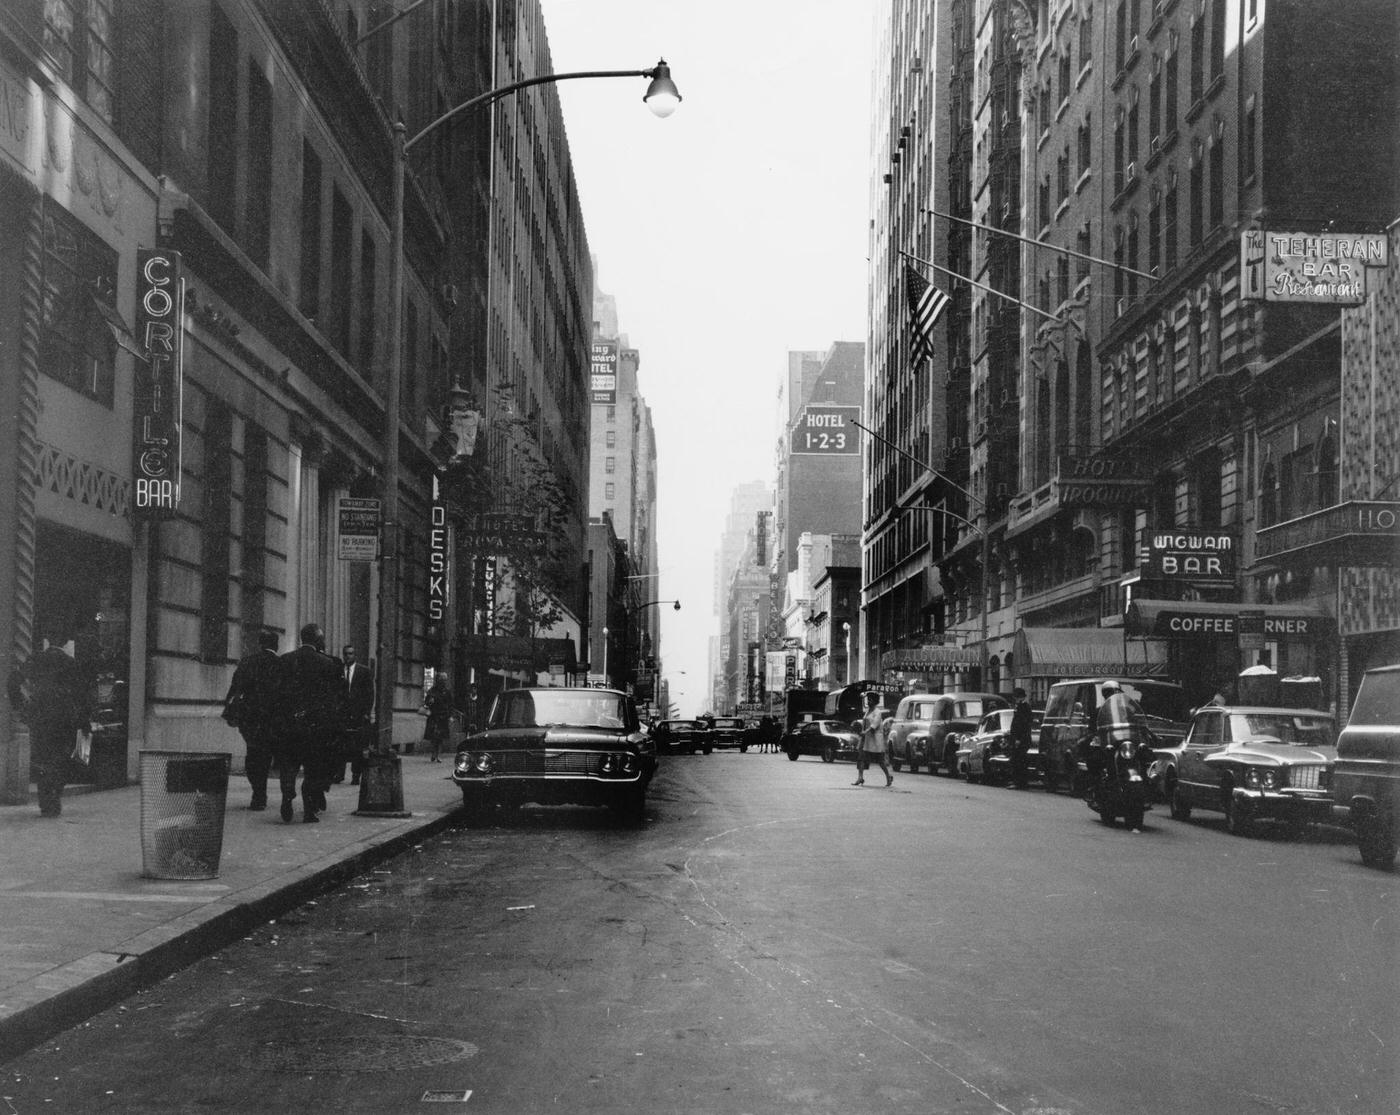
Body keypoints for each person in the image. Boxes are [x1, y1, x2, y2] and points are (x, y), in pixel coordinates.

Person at [7, 623, 91, 817]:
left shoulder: (36, 659)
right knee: (62, 758)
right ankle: (54, 795)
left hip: (40, 716)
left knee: (43, 758)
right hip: (65, 717)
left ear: (48, 639)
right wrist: (84, 719)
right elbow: (83, 695)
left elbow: (13, 681)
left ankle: (46, 800)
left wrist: (21, 707)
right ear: (65, 641)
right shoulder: (71, 663)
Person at [273, 623, 344, 823]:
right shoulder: (327, 664)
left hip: (290, 725)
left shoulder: (285, 660)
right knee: (313, 769)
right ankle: (308, 810)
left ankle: (287, 797)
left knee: (288, 766)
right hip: (315, 728)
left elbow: (277, 694)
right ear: (317, 640)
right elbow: (331, 699)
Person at [221, 628, 281, 810]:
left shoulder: (247, 662)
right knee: (265, 754)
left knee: (253, 752)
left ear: (260, 643)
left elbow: (235, 688)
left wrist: (229, 707)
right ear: (276, 645)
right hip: (271, 718)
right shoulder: (281, 664)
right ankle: (260, 792)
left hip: (250, 719)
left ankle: (258, 791)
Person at [337, 645, 375, 785]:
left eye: (350, 654)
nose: (348, 656)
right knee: (341, 746)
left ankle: (355, 775)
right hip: (342, 715)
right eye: (346, 654)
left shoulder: (364, 671)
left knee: (357, 748)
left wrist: (366, 712)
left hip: (358, 715)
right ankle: (339, 774)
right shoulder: (338, 670)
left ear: (355, 655)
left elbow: (370, 693)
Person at [854, 692, 893, 787]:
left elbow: (873, 726)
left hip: (875, 741)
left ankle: (888, 776)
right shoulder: (868, 711)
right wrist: (862, 734)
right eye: (868, 699)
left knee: (880, 761)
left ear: (875, 701)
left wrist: (865, 732)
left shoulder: (877, 712)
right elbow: (865, 723)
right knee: (861, 759)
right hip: (866, 739)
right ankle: (860, 778)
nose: (869, 701)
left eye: (870, 699)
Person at [422, 673, 455, 762]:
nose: (443, 682)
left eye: (444, 680)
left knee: (440, 737)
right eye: (442, 680)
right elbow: (426, 703)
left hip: (443, 716)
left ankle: (438, 755)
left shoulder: (447, 692)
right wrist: (430, 701)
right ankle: (434, 753)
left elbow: (450, 704)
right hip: (434, 716)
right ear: (438, 680)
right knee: (434, 736)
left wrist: (451, 716)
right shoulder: (432, 691)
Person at [1008, 686, 1035, 789]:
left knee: (1019, 761)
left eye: (1016, 697)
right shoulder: (1021, 707)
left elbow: (1022, 724)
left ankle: (1020, 782)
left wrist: (1018, 739)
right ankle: (1019, 782)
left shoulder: (1024, 707)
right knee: (1018, 760)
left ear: (1019, 697)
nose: (1015, 700)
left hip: (1021, 739)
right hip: (1021, 738)